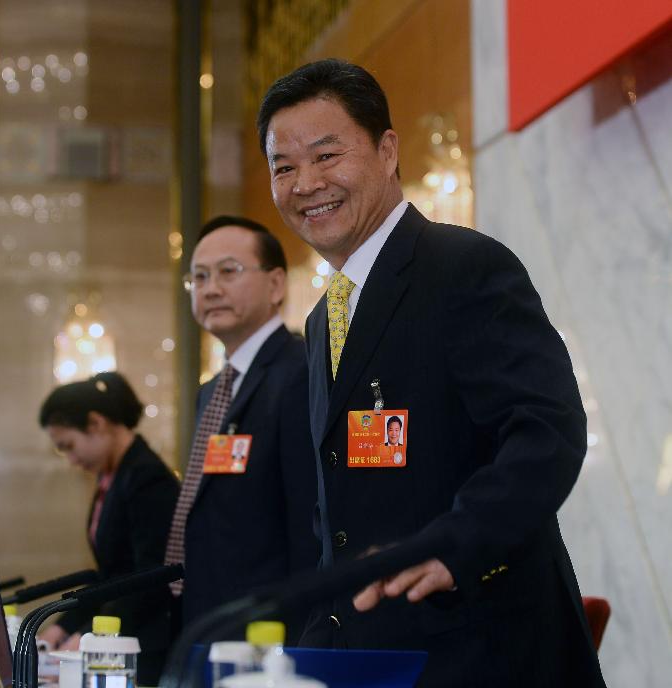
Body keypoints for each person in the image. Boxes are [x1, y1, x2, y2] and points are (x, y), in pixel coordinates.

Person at [258, 59, 605, 686]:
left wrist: (458, 541)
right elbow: (335, 512)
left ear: (388, 150)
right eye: (283, 167)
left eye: (327, 155)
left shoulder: (462, 266)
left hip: (481, 651)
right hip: (365, 657)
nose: (305, 183)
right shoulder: (320, 321)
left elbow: (546, 428)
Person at [165, 215, 319, 642]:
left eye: (228, 272)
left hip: (269, 631)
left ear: (275, 285)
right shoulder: (212, 390)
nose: (210, 288)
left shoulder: (300, 374)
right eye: (199, 277)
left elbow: (308, 523)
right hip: (211, 620)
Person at [37, 372, 179, 686]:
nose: (72, 460)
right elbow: (109, 577)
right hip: (117, 634)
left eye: (69, 446)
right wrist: (62, 628)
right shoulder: (112, 478)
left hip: (141, 643)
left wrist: (88, 636)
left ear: (96, 423)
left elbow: (149, 577)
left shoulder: (147, 477)